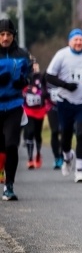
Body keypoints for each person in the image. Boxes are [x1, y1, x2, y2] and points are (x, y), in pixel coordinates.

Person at [45, 28, 82, 183]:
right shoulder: (61, 55)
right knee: (66, 135)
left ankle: (80, 170)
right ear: (70, 41)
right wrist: (65, 85)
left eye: (80, 39)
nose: (78, 42)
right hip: (65, 102)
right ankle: (67, 157)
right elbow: (49, 76)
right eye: (75, 40)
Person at [0, 18, 31, 201]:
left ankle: (9, 185)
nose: (5, 38)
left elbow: (29, 73)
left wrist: (24, 81)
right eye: (2, 34)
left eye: (9, 35)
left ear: (14, 36)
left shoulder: (21, 54)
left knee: (11, 145)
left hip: (13, 105)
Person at [22, 61, 52, 170]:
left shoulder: (42, 77)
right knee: (29, 132)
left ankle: (38, 154)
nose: (34, 68)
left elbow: (46, 91)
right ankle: (30, 158)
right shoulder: (25, 77)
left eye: (36, 66)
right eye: (32, 66)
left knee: (37, 134)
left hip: (40, 110)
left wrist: (42, 93)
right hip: (28, 110)